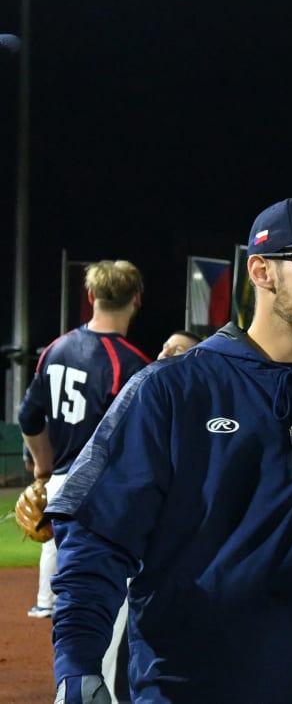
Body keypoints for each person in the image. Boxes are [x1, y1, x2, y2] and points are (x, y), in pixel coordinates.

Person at [47, 198, 292, 704]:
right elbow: (96, 536)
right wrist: (79, 664)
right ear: (261, 271)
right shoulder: (172, 392)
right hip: (191, 688)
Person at [19, 257, 151, 690]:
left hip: (59, 481)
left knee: (67, 585)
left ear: (91, 297)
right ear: (136, 299)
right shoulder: (132, 363)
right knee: (110, 604)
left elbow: (28, 417)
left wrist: (41, 469)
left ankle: (48, 610)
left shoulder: (54, 350)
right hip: (103, 498)